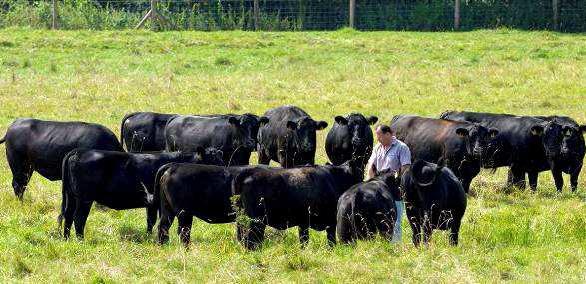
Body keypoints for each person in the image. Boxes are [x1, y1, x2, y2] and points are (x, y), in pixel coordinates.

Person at [366, 124, 411, 243]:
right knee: (377, 216)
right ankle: (381, 244)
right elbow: (371, 166)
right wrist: (370, 184)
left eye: (379, 136)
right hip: (378, 188)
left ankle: (395, 245)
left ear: (388, 134)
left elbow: (405, 167)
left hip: (394, 188)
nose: (378, 139)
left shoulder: (402, 147)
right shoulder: (377, 147)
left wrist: (398, 180)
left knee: (396, 218)